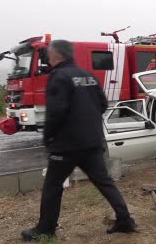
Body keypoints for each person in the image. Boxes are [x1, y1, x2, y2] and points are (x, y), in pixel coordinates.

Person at [21, 40, 136, 241]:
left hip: (66, 145)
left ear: (56, 56)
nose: (48, 58)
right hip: (91, 141)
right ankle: (125, 220)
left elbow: (55, 113)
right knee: (104, 182)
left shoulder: (58, 77)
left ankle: (45, 229)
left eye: (49, 54)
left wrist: (48, 137)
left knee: (53, 186)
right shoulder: (88, 76)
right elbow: (101, 104)